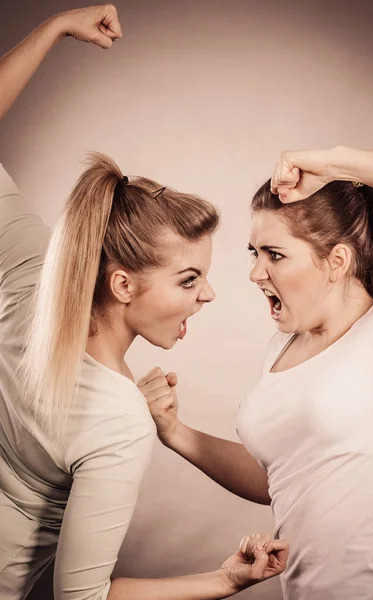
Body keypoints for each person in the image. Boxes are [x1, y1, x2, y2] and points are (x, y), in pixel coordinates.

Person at [0, 5, 288, 600]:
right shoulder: (119, 422)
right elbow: (81, 598)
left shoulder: (32, 271)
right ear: (124, 285)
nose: (209, 293)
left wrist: (52, 28)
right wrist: (224, 579)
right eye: (188, 280)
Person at [144, 146, 373, 599]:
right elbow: (282, 481)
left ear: (337, 261)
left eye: (274, 254)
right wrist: (177, 433)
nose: (254, 273)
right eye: (254, 252)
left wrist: (335, 163)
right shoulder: (282, 346)